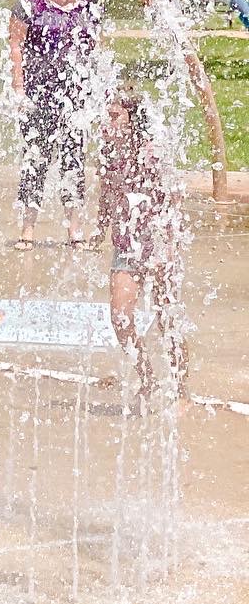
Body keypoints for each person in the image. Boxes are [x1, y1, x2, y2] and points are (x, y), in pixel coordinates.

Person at [8, 0, 102, 249]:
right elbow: (15, 47)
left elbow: (96, 50)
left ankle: (74, 228)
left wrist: (98, 89)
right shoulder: (31, 3)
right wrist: (19, 90)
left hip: (75, 95)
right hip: (39, 93)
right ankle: (28, 229)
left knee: (73, 160)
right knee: (36, 158)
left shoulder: (88, 2)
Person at [94, 81, 184, 404]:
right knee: (120, 316)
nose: (107, 122)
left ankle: (182, 390)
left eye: (115, 116)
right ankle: (148, 379)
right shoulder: (106, 151)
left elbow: (172, 197)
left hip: (156, 239)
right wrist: (100, 227)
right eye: (106, 115)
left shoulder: (150, 151)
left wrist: (170, 245)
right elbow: (106, 191)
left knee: (167, 317)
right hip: (126, 242)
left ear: (132, 120)